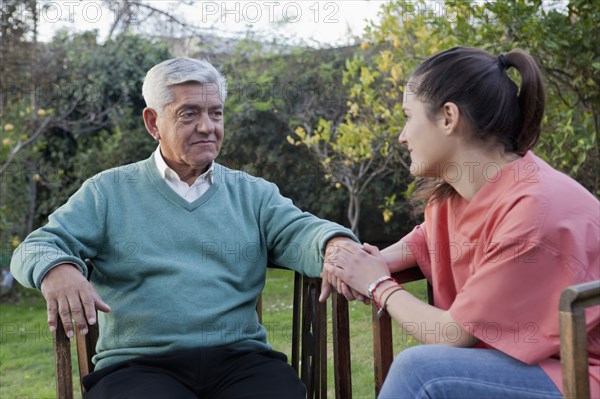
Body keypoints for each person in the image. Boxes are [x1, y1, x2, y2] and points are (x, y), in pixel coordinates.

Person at [10, 57, 359, 398]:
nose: (207, 126)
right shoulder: (108, 192)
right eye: (189, 113)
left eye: (216, 113)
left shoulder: (253, 193)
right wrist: (56, 269)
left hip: (241, 361)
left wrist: (334, 245)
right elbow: (36, 246)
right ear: (153, 122)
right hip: (139, 366)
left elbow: (300, 232)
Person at [322, 47, 600, 398]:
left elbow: (452, 334)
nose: (402, 136)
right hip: (540, 365)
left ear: (448, 117)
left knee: (421, 374)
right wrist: (365, 262)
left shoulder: (534, 208)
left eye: (409, 117)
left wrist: (377, 283)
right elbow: (428, 239)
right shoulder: (460, 192)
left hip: (581, 375)